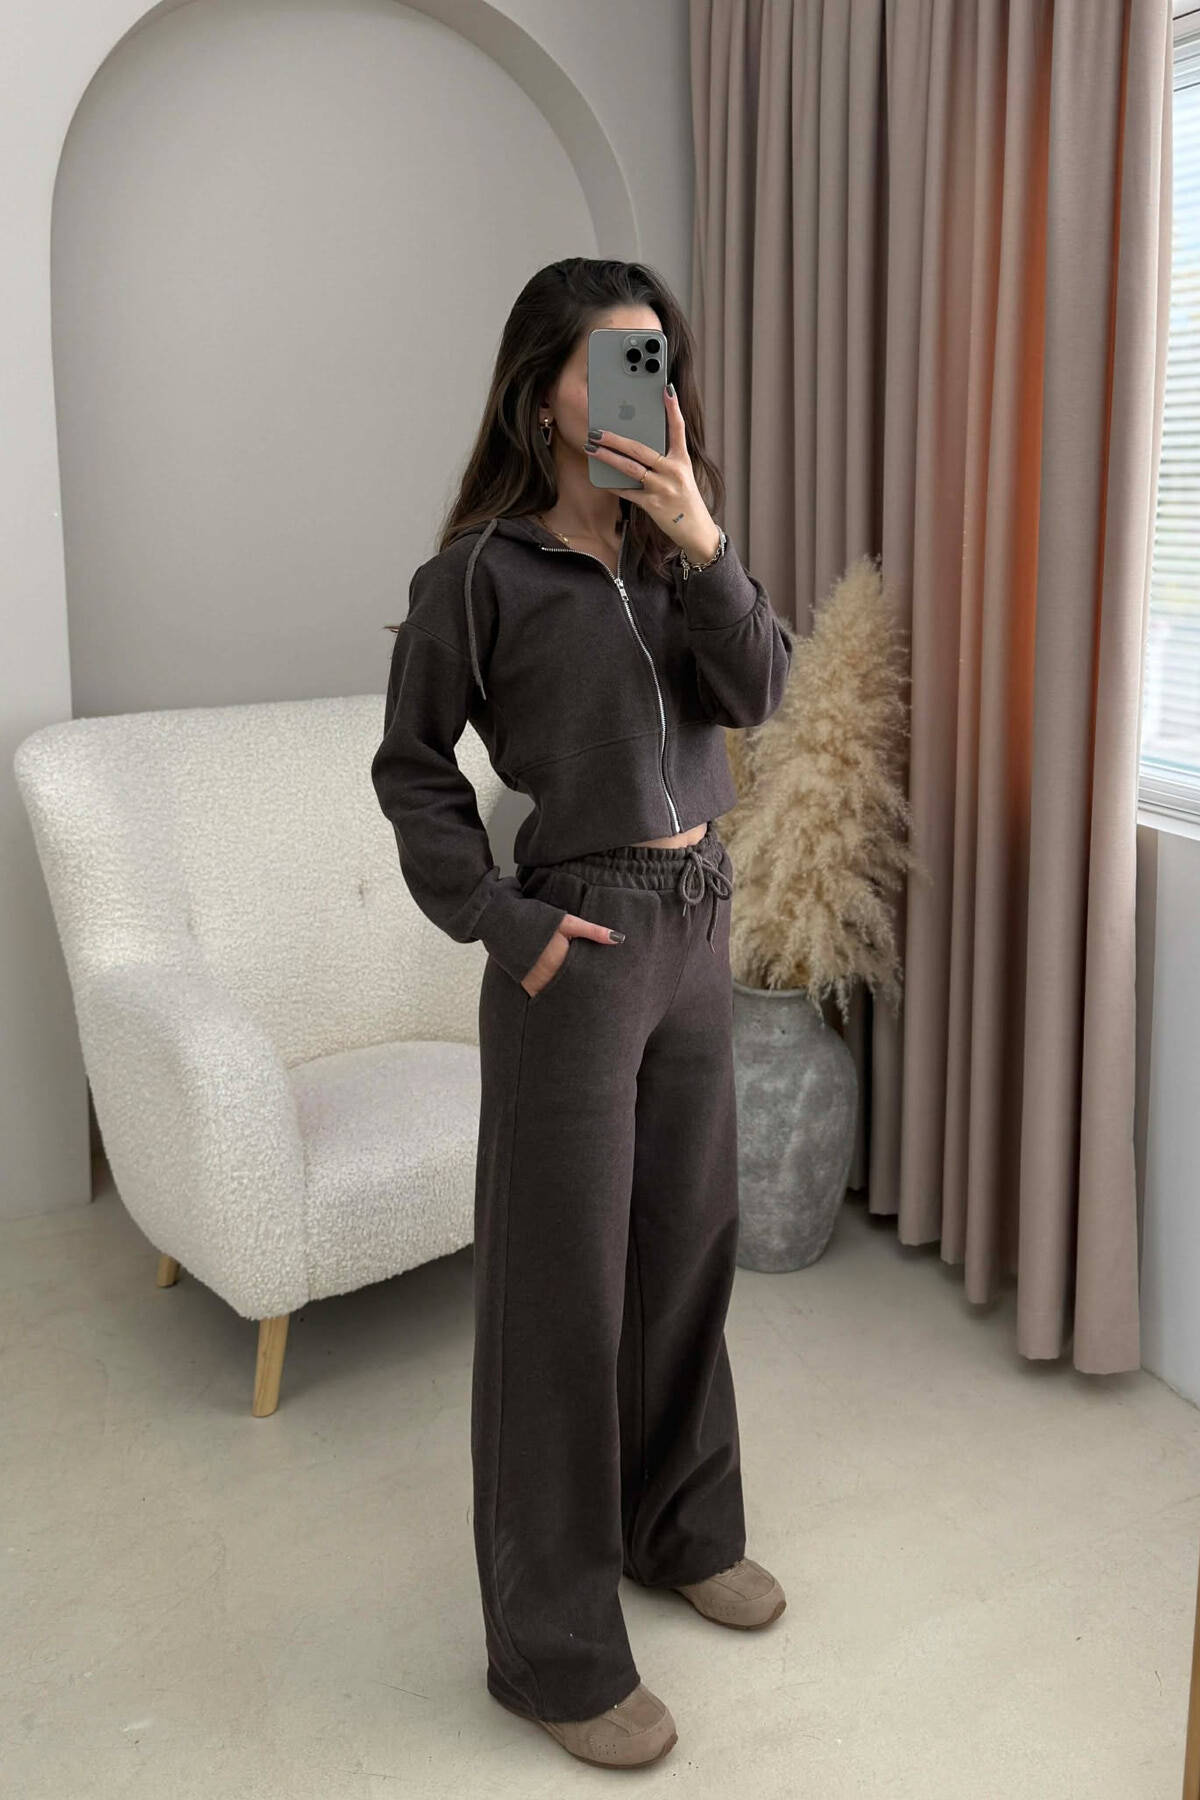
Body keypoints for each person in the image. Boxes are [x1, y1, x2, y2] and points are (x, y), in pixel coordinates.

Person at [370, 257, 793, 1770]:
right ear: (543, 390)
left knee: (686, 1251)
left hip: (701, 922)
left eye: (658, 358)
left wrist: (705, 539)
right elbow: (412, 770)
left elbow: (761, 693)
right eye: (614, 361)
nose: (645, 385)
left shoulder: (681, 556)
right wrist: (505, 923)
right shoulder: (479, 576)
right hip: (583, 942)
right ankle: (552, 1653)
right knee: (561, 1296)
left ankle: (680, 1528)